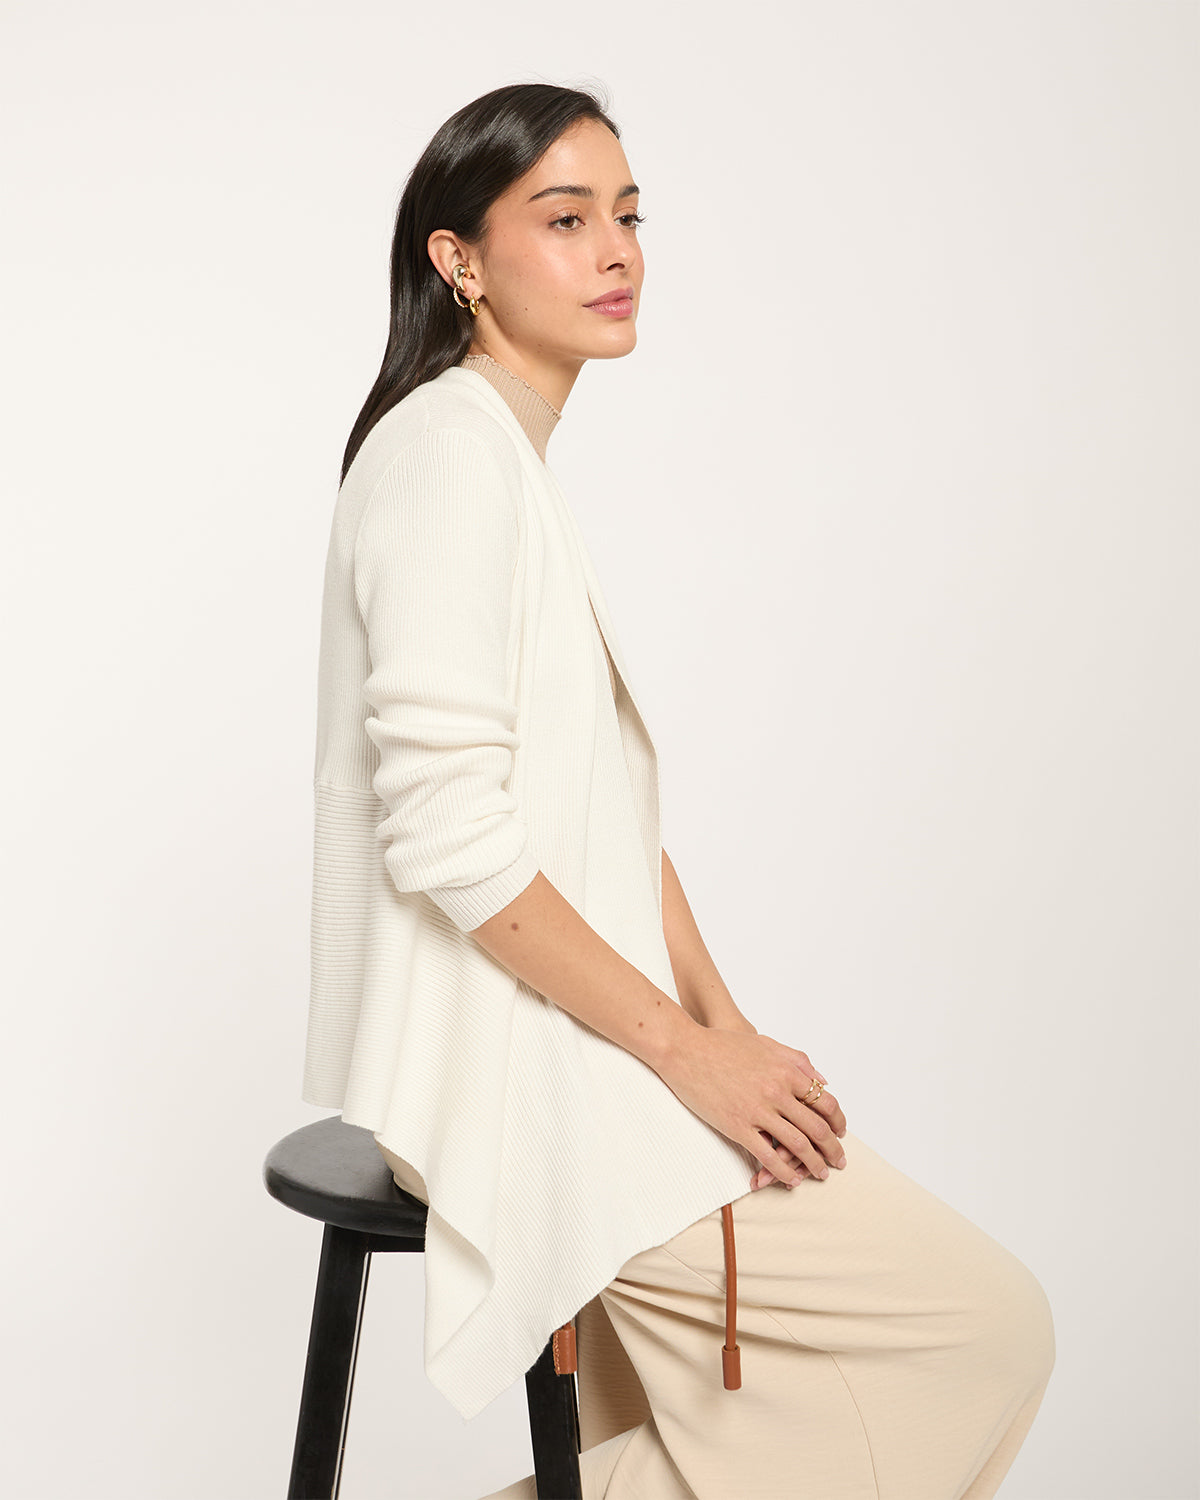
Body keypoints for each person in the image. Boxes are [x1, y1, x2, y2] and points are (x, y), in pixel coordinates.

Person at [301, 81, 1055, 1499]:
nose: (617, 251)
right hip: (501, 1062)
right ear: (459, 260)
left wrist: (724, 1024)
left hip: (563, 1032)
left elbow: (604, 828)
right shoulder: (450, 457)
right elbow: (451, 838)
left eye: (630, 216)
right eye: (565, 218)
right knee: (980, 1334)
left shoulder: (505, 459)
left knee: (753, 1417)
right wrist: (681, 1051)